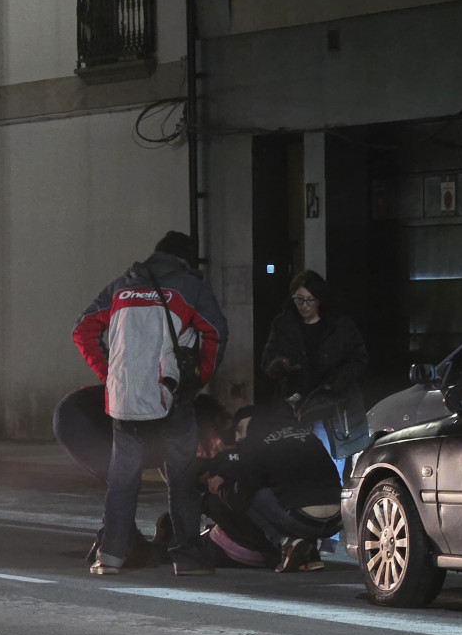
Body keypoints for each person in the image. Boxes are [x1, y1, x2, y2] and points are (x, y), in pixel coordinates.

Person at [72, 230, 228, 576]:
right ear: (186, 259)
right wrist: (198, 379)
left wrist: (110, 374)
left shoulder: (119, 287)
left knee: (122, 479)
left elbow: (82, 330)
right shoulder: (189, 287)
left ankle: (110, 556)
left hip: (125, 397)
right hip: (172, 397)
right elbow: (215, 332)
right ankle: (186, 559)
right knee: (181, 478)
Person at [260, 269, 368, 554]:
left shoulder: (338, 325)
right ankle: (303, 527)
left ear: (320, 300)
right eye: (298, 299)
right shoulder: (284, 324)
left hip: (332, 403)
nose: (303, 306)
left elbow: (358, 358)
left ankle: (328, 533)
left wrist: (338, 381)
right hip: (296, 403)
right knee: (296, 464)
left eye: (309, 300)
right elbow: (267, 361)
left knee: (331, 463)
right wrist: (282, 364)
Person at [205, 404, 342, 572]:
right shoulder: (305, 433)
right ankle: (310, 551)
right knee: (295, 488)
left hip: (304, 520)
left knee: (253, 492)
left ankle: (284, 542)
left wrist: (220, 486)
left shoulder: (254, 444)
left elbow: (239, 499)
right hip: (336, 520)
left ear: (244, 426)